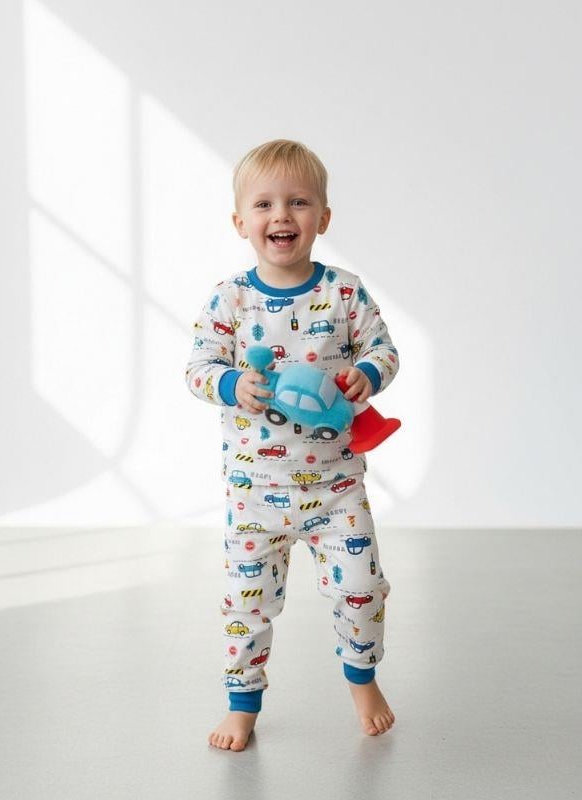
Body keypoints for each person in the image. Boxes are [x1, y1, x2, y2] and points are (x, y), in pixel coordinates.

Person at [185, 139, 399, 751]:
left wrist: (369, 373)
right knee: (245, 605)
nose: (281, 215)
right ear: (240, 222)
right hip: (255, 493)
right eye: (265, 204)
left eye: (298, 202)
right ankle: (242, 703)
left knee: (362, 589)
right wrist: (232, 383)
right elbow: (198, 368)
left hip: (336, 488)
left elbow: (384, 349)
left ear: (322, 218)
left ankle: (363, 679)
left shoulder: (345, 293)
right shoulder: (230, 298)